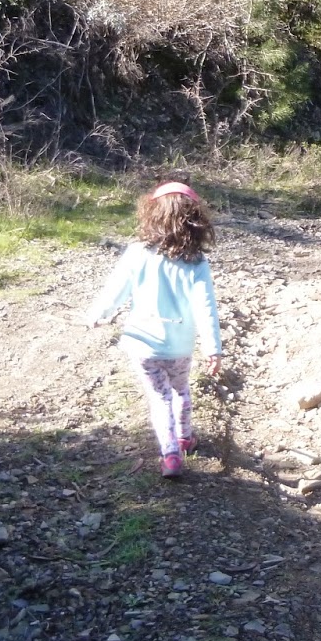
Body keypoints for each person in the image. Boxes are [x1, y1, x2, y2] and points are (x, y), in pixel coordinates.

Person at [85, 181, 223, 478]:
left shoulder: (137, 253)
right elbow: (206, 307)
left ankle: (170, 454)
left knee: (160, 398)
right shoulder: (196, 262)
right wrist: (213, 348)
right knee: (180, 390)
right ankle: (185, 438)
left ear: (152, 214)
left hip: (143, 344)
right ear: (195, 220)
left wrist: (98, 314)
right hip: (179, 346)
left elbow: (116, 290)